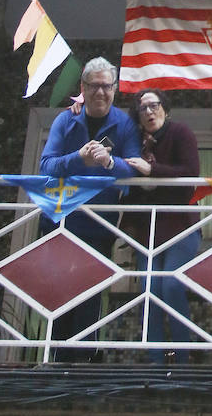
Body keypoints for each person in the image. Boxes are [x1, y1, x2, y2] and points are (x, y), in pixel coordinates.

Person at [39, 58, 142, 360]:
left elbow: (132, 170)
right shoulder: (65, 120)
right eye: (94, 86)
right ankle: (54, 361)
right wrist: (78, 159)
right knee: (59, 292)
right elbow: (46, 165)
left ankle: (82, 365)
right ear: (82, 88)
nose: (100, 92)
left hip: (100, 225)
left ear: (115, 89)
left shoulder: (124, 125)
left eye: (106, 86)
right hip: (59, 221)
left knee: (90, 295)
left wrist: (110, 163)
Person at [123, 91, 201, 364]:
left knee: (170, 286)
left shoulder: (180, 133)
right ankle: (156, 361)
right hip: (148, 231)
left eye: (154, 105)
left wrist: (151, 170)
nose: (148, 112)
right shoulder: (136, 143)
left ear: (165, 109)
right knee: (150, 293)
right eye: (142, 108)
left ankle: (182, 358)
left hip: (181, 227)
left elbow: (191, 174)